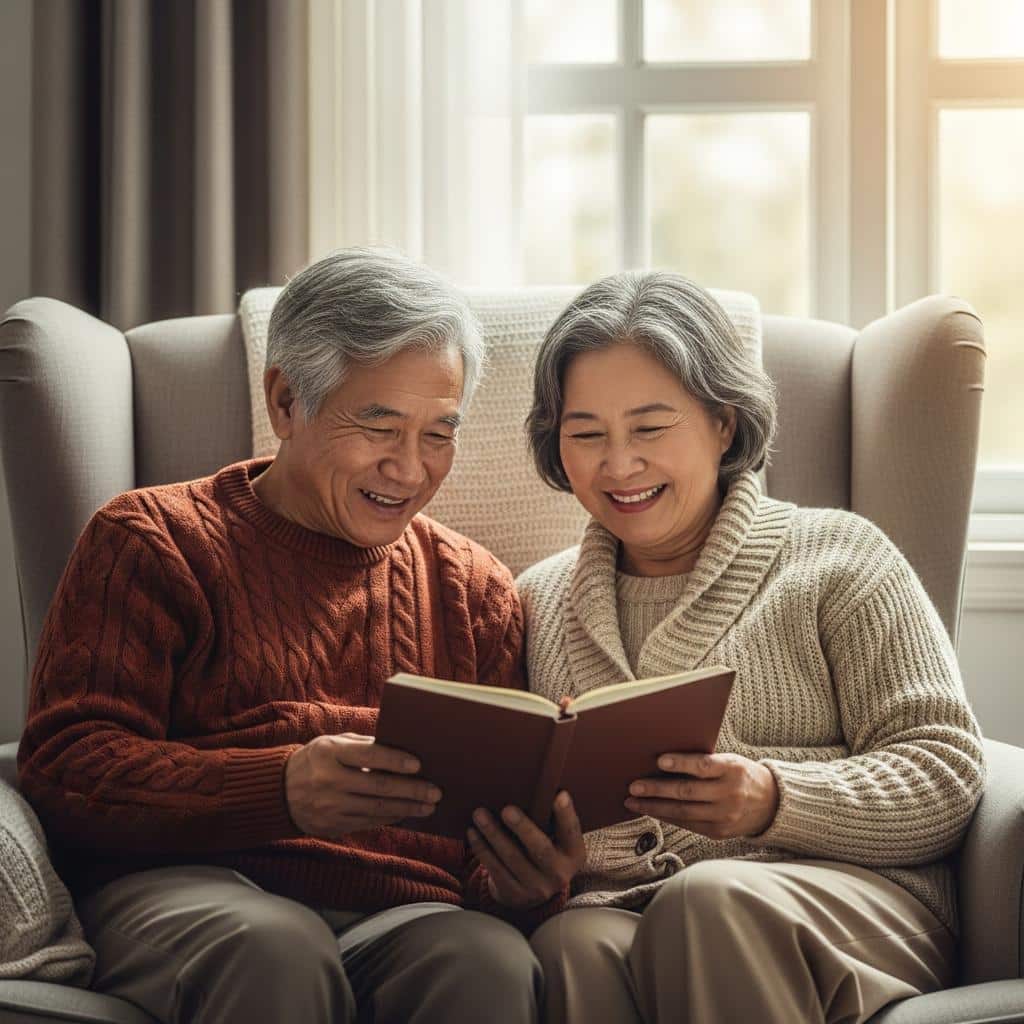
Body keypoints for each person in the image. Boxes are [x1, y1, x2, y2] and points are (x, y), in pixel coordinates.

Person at [17, 248, 584, 1024]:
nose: (410, 468)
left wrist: (527, 879)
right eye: (378, 424)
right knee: (275, 949)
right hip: (196, 890)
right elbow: (65, 771)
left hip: (408, 910)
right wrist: (277, 789)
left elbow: (481, 856)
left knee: (486, 962)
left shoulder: (475, 589)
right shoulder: (151, 541)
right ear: (285, 402)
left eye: (438, 433)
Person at [504, 270, 985, 1023]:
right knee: (570, 943)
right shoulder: (537, 599)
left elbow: (945, 775)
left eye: (650, 428)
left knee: (708, 900)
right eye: (587, 433)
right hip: (631, 908)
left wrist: (773, 799)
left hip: (857, 907)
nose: (618, 464)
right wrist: (542, 868)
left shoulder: (840, 556)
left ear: (724, 423)